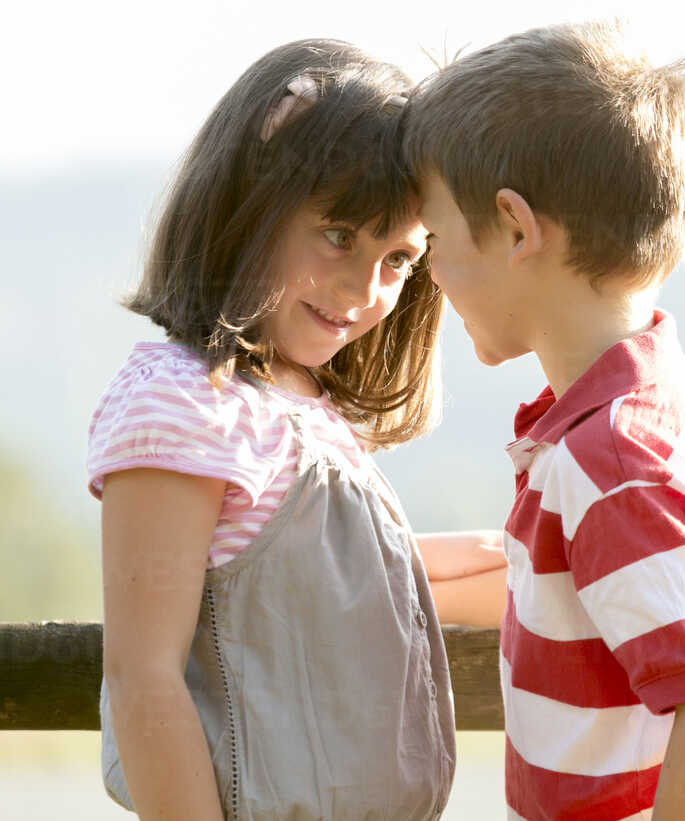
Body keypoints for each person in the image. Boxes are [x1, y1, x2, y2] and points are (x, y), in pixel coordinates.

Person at [404, 21, 685, 820]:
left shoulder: (608, 459)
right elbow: (576, 593)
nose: (431, 268)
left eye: (435, 235)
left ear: (516, 227)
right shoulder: (658, 403)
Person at [88, 39, 505, 821]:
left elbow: (301, 579)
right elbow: (143, 675)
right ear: (249, 202)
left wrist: (528, 558)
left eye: (399, 259)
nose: (364, 287)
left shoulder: (305, 404)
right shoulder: (189, 399)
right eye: (340, 235)